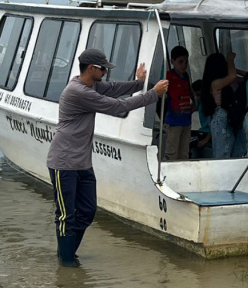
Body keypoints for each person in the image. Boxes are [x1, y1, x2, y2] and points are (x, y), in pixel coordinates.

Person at [47, 48, 169, 266]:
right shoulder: (78, 92)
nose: (105, 72)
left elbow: (113, 89)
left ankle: (65, 254)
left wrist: (138, 83)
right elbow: (117, 106)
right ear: (92, 68)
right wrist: (153, 94)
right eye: (103, 68)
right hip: (63, 163)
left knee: (87, 210)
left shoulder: (90, 85)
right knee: (66, 216)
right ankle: (66, 264)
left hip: (82, 162)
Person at [200, 52, 247, 158]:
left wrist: (235, 68)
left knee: (239, 152)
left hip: (234, 117)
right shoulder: (215, 83)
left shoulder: (230, 82)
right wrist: (231, 60)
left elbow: (247, 77)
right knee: (222, 153)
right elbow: (232, 76)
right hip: (222, 117)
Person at [163, 46, 197, 161]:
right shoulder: (169, 77)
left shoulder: (186, 76)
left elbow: (190, 90)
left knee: (184, 152)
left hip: (186, 120)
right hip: (173, 121)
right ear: (172, 61)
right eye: (180, 62)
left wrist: (195, 103)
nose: (184, 65)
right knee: (172, 152)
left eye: (186, 62)